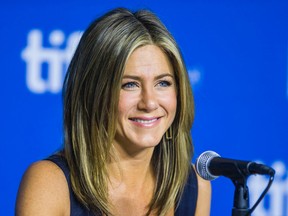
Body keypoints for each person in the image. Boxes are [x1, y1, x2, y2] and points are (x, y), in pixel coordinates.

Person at [16, 7, 211, 216]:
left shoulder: (195, 186)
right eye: (130, 85)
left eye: (163, 83)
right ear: (94, 93)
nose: (149, 103)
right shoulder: (50, 183)